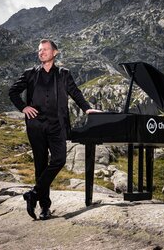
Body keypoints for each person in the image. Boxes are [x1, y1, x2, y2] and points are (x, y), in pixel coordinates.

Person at [9, 39, 99, 220]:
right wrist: (23, 108)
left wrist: (87, 108)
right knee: (40, 166)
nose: (41, 52)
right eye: (39, 50)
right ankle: (44, 208)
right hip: (35, 127)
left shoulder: (64, 74)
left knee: (59, 159)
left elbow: (75, 92)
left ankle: (33, 193)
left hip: (57, 126)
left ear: (55, 53)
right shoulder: (29, 74)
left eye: (45, 49)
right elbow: (13, 91)